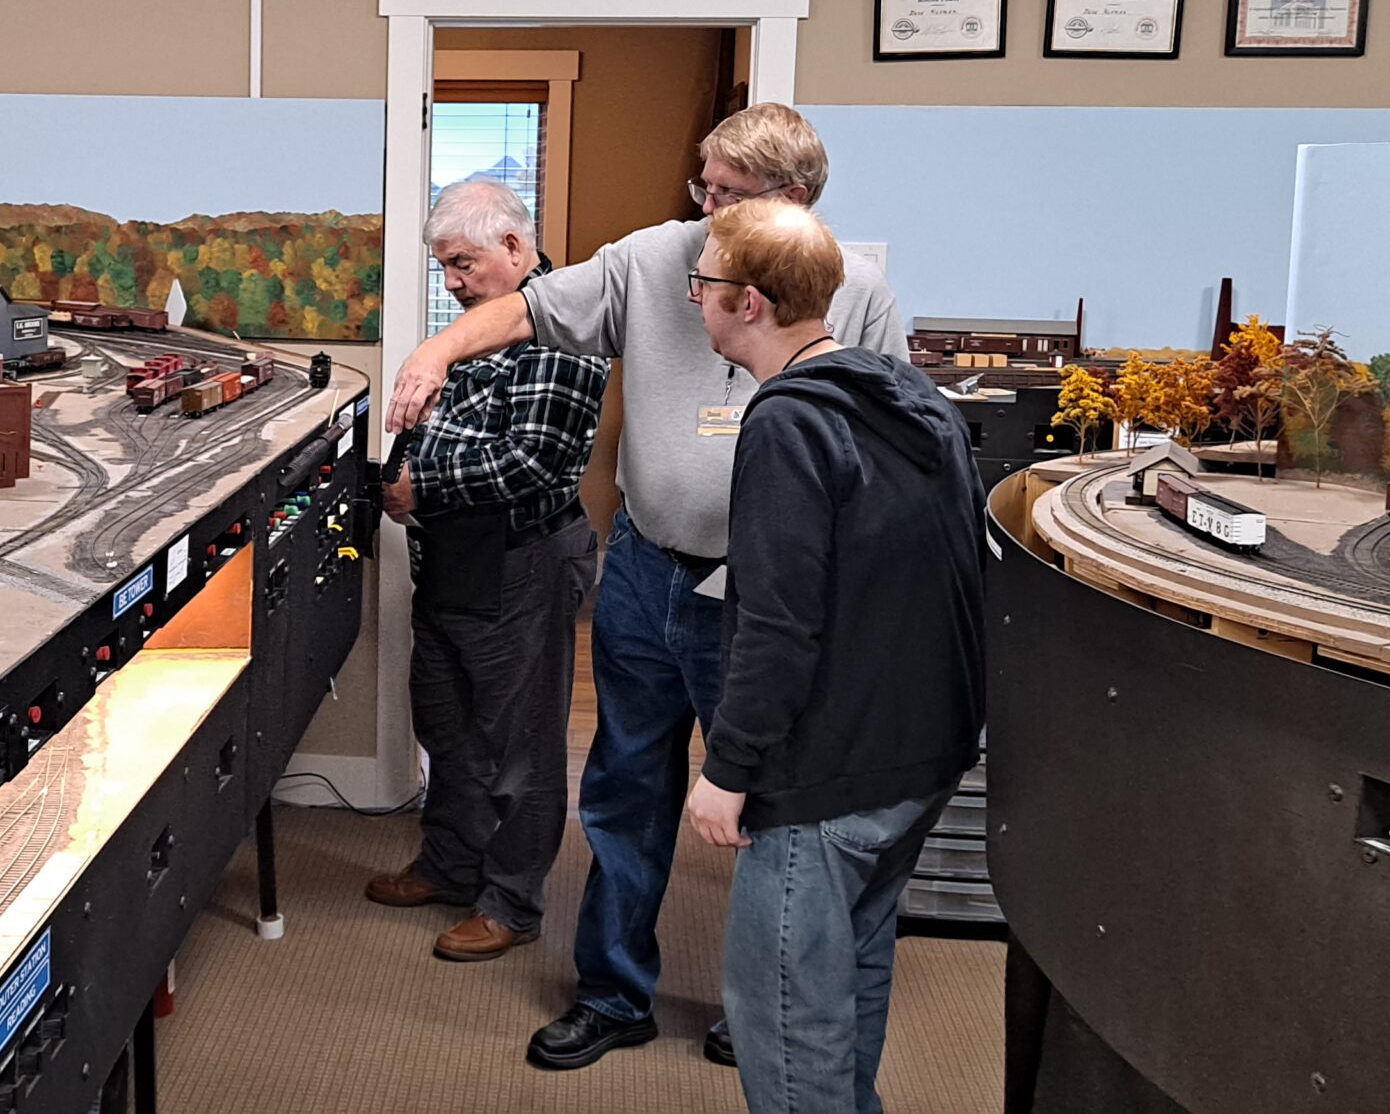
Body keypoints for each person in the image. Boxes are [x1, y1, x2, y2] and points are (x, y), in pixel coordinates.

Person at [385, 104, 907, 1070]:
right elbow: (532, 305)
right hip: (643, 568)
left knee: (764, 811)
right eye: (700, 188)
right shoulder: (652, 257)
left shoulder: (858, 293)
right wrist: (434, 351)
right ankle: (614, 994)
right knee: (625, 794)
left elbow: (875, 448)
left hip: (762, 599)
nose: (704, 211)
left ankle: (752, 1010)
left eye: (727, 196)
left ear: (791, 203)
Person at [682, 198, 985, 1114]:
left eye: (704, 283)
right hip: (920, 756)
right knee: (854, 970)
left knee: (784, 1016)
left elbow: (778, 621)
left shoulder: (786, 425)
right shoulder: (909, 397)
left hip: (827, 774)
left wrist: (726, 769)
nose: (693, 298)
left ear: (751, 303)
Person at [367, 179, 609, 961]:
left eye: (463, 263)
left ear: (514, 246)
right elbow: (452, 427)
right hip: (456, 556)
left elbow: (530, 463)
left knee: (520, 747)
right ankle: (450, 864)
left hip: (522, 559)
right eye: (443, 267)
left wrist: (419, 485)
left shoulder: (563, 327)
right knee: (446, 723)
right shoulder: (477, 329)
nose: (452, 283)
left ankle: (512, 904)